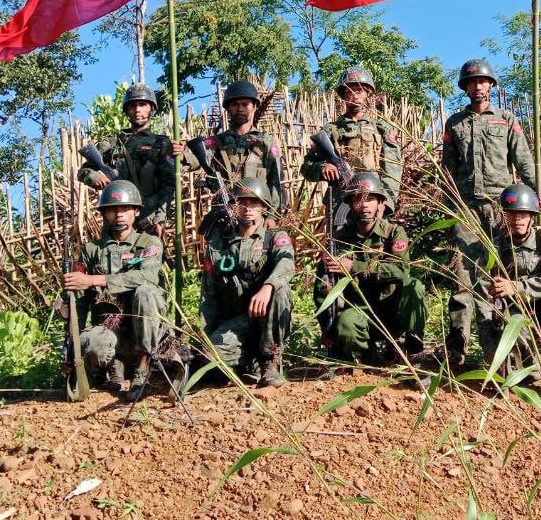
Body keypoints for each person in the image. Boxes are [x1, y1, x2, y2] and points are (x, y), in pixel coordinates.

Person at [440, 58, 539, 370]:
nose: (478, 86)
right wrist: (448, 207)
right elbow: (448, 169)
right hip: (466, 208)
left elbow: (523, 161)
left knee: (503, 275)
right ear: (465, 87)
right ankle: (456, 349)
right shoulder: (454, 124)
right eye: (472, 82)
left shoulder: (506, 120)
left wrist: (536, 195)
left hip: (501, 208)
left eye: (483, 81)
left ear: (492, 86)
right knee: (462, 278)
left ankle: (503, 348)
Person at [474, 183, 541, 413]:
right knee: (514, 376)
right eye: (511, 214)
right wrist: (491, 349)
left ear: (532, 216)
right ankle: (524, 363)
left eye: (523, 214)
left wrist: (517, 287)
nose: (517, 219)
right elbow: (481, 296)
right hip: (515, 317)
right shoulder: (493, 246)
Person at [63, 180, 169, 401]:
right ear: (104, 213)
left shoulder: (149, 243)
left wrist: (93, 279)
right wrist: (72, 349)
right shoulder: (91, 250)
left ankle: (143, 367)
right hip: (112, 329)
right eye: (113, 209)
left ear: (136, 212)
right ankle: (114, 364)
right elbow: (79, 301)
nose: (119, 214)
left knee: (145, 292)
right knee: (90, 344)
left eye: (125, 209)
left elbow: (146, 276)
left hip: (147, 330)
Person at [316, 171, 428, 368]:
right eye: (359, 199)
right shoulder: (339, 240)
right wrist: (326, 326)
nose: (365, 204)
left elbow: (402, 271)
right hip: (359, 311)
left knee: (414, 286)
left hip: (391, 311)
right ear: (350, 203)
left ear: (380, 204)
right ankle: (366, 351)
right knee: (346, 325)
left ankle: (412, 351)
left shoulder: (393, 232)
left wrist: (354, 267)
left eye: (371, 199)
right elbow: (323, 285)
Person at [197, 177, 295, 387]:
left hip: (266, 320)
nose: (248, 209)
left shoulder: (274, 237)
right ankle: (248, 363)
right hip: (236, 322)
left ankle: (270, 362)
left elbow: (287, 264)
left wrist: (268, 286)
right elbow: (209, 295)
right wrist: (205, 333)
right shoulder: (219, 245)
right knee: (209, 355)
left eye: (254, 204)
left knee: (281, 291)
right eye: (243, 203)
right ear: (234, 207)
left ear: (263, 208)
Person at [301, 66, 403, 217]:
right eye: (349, 91)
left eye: (359, 90)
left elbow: (393, 170)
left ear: (368, 93)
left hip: (374, 199)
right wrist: (323, 167)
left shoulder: (382, 129)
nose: (355, 95)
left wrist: (386, 202)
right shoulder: (330, 131)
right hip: (340, 200)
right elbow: (307, 167)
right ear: (343, 95)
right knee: (339, 240)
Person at [173, 79, 286, 215]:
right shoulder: (216, 141)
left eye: (245, 104)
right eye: (235, 105)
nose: (240, 109)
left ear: (255, 106)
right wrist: (182, 155)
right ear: (228, 108)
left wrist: (272, 217)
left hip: (256, 213)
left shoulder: (266, 142)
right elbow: (195, 158)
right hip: (225, 210)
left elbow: (276, 181)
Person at [77, 83, 174, 230]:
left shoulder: (161, 144)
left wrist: (159, 220)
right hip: (116, 217)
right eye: (132, 105)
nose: (137, 110)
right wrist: (94, 177)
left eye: (142, 104)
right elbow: (83, 171)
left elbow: (168, 186)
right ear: (127, 110)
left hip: (148, 217)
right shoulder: (112, 143)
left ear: (151, 108)